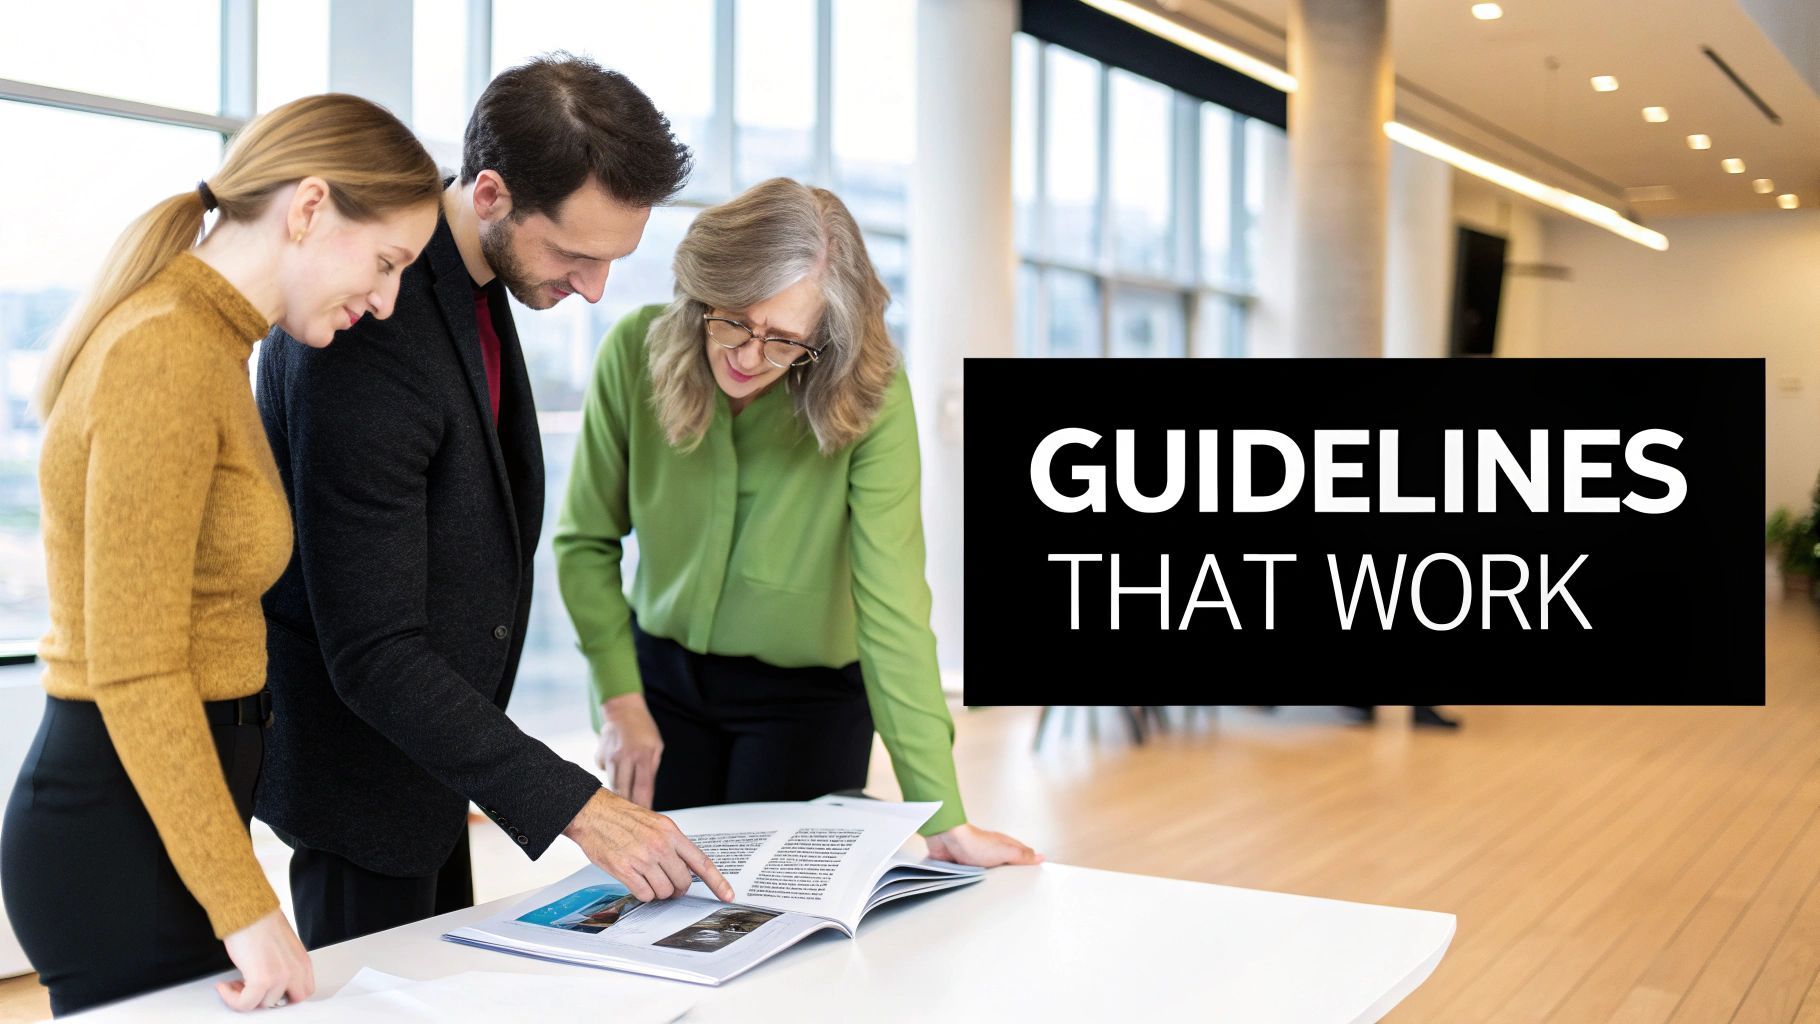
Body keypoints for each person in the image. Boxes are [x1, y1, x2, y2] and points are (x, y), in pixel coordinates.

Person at [254, 54, 734, 952]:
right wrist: (579, 808)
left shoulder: (472, 276)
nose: (592, 289)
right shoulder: (369, 320)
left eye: (611, 261)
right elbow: (373, 650)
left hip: (432, 768)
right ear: (489, 194)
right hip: (363, 779)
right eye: (575, 255)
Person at [0, 94, 443, 1016]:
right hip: (119, 833)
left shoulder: (211, 343)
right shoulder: (163, 350)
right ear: (311, 207)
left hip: (166, 815)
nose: (389, 298)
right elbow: (134, 664)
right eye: (387, 262)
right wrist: (244, 899)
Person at [555, 178, 1040, 868]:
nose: (750, 357)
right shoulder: (634, 352)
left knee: (771, 913)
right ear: (704, 287)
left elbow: (893, 607)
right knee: (658, 911)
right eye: (732, 321)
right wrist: (619, 700)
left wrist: (944, 818)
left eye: (785, 341)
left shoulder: (872, 393)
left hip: (807, 704)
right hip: (658, 687)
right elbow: (584, 543)